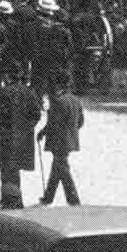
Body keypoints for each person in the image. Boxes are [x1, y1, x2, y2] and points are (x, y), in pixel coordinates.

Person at [0, 66, 40, 209]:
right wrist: (27, 129)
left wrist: (2, 132)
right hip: (24, 138)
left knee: (7, 170)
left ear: (8, 76)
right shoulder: (29, 91)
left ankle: (12, 201)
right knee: (15, 169)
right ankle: (10, 199)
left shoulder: (4, 92)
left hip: (8, 137)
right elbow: (36, 114)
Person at [38, 75, 84, 206]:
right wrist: (72, 132)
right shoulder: (76, 100)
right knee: (57, 167)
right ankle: (48, 197)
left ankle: (74, 200)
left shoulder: (58, 101)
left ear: (58, 85)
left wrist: (42, 132)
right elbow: (80, 122)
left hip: (59, 141)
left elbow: (53, 123)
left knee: (63, 169)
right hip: (70, 140)